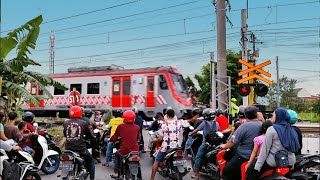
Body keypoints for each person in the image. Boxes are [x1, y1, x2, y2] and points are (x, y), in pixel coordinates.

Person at [246, 107, 300, 180]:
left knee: (250, 171)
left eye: (273, 115)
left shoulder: (272, 129)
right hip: (290, 161)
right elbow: (293, 148)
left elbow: (265, 150)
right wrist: (292, 164)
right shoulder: (291, 129)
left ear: (278, 117)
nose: (271, 117)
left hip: (274, 161)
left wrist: (257, 166)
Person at [220, 106, 263, 180]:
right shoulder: (262, 124)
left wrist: (223, 146)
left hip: (243, 156)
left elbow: (232, 142)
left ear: (246, 115)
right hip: (258, 157)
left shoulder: (244, 126)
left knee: (227, 172)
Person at [63, 106, 95, 180]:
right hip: (80, 148)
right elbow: (89, 135)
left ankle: (65, 174)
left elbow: (65, 134)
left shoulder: (65, 123)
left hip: (68, 149)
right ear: (80, 113)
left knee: (65, 163)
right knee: (91, 162)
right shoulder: (83, 123)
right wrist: (92, 137)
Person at [150, 109, 182, 180]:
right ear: (174, 115)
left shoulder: (164, 123)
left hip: (166, 146)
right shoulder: (179, 123)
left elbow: (162, 135)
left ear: (167, 115)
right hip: (177, 146)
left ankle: (152, 178)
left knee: (157, 160)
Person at [110, 110, 141, 178]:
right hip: (135, 150)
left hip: (124, 150)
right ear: (134, 118)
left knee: (117, 154)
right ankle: (139, 177)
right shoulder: (137, 127)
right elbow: (138, 138)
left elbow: (115, 137)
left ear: (123, 118)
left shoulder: (120, 126)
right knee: (137, 163)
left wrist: (112, 140)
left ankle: (116, 172)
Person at [191, 108, 220, 179]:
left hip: (206, 144)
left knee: (198, 157)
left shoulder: (204, 123)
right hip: (215, 144)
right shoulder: (216, 123)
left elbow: (196, 130)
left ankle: (197, 174)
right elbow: (218, 131)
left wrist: (191, 133)